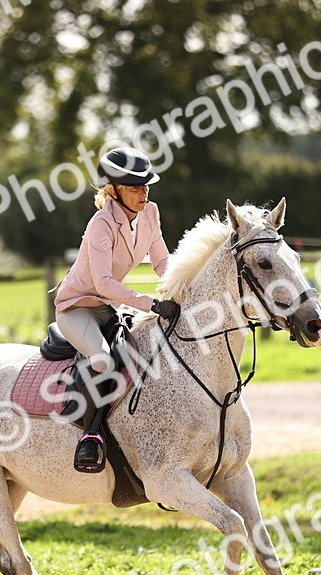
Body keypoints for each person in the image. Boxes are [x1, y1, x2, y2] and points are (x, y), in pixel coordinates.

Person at [54, 146, 181, 471]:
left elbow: (162, 262)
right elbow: (103, 283)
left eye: (145, 185)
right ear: (113, 191)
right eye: (134, 187)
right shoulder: (101, 224)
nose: (143, 192)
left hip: (109, 306)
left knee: (144, 351)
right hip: (78, 307)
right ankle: (90, 435)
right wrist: (153, 304)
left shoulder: (150, 213)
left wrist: (180, 287)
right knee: (102, 358)